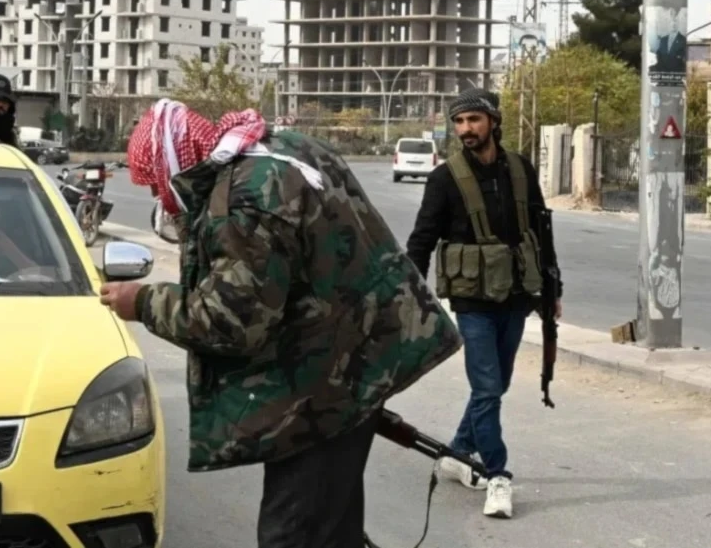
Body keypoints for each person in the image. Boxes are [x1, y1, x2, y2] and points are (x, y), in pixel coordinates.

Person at [98, 99, 461, 548]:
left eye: (157, 183)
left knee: (292, 536)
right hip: (358, 361)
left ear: (175, 163)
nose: (160, 197)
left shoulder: (244, 201)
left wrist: (144, 301)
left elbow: (229, 321)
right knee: (332, 530)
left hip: (324, 385)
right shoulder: (281, 148)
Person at [405, 88, 563, 520]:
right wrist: (406, 293)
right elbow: (421, 239)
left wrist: (553, 291)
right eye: (458, 122)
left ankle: (458, 452)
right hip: (472, 300)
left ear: (493, 121)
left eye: (473, 120)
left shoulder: (520, 169)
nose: (465, 130)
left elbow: (541, 231)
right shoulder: (445, 178)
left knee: (495, 386)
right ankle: (497, 474)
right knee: (488, 388)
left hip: (516, 295)